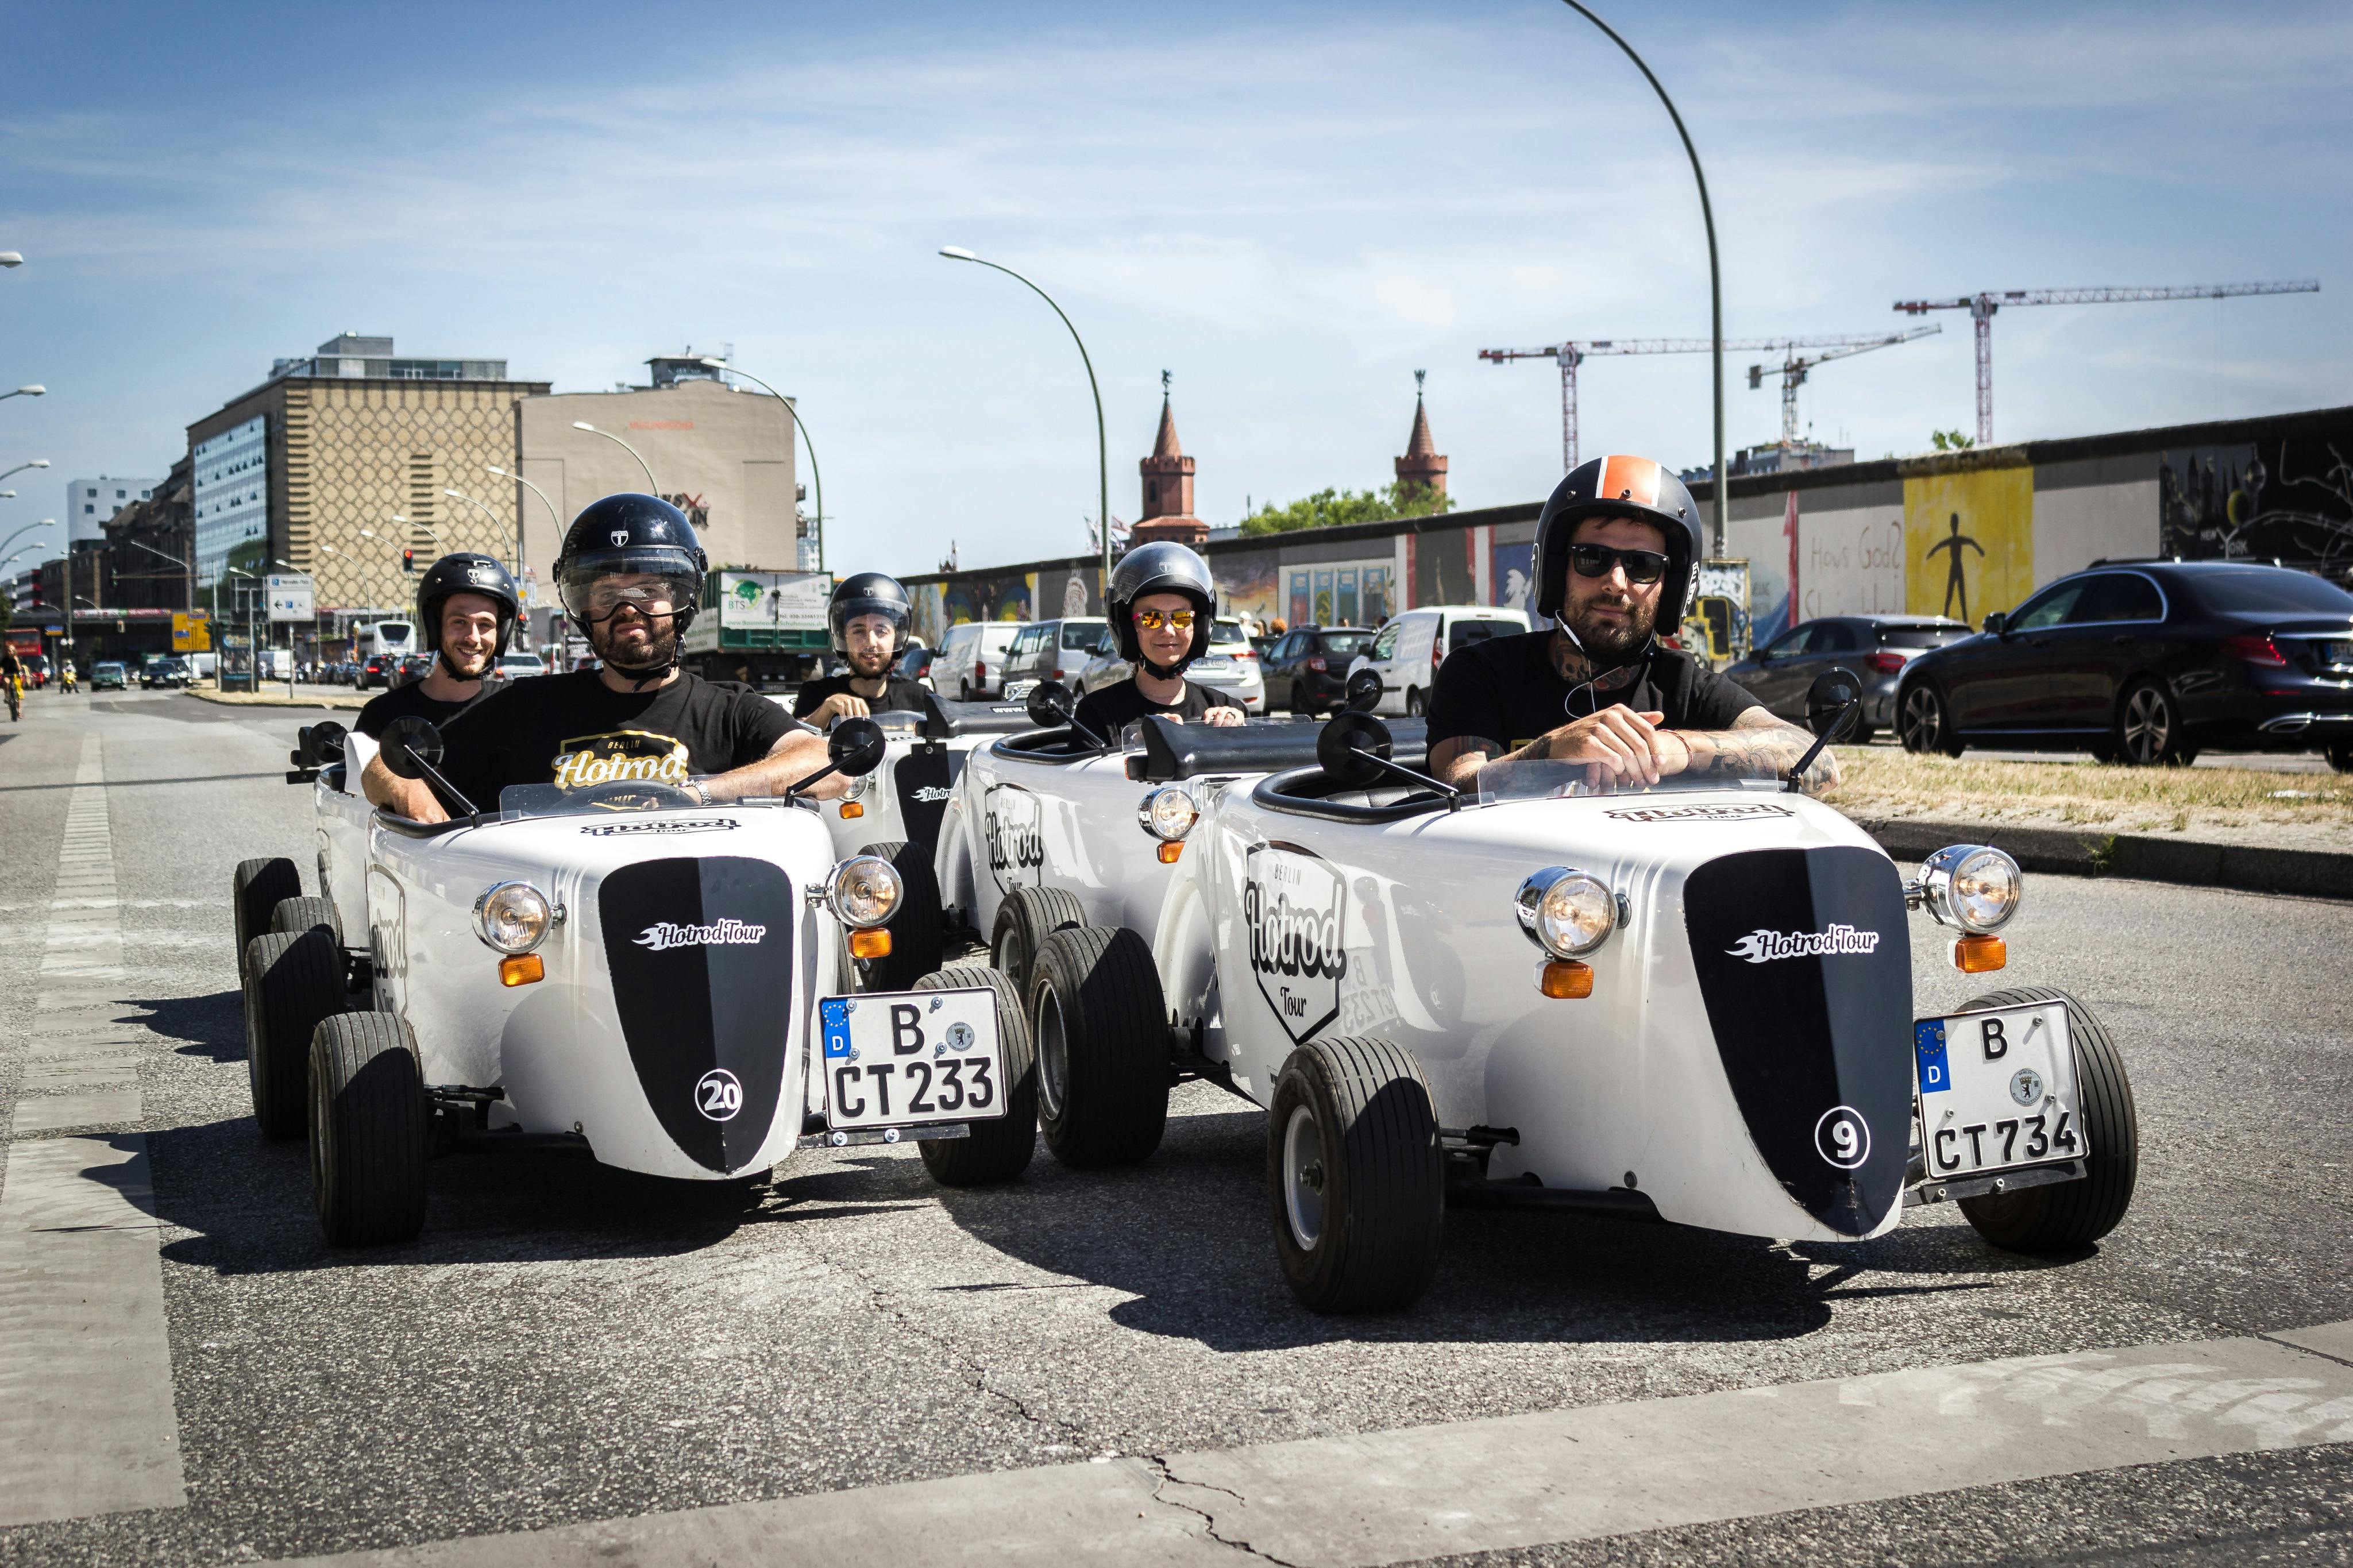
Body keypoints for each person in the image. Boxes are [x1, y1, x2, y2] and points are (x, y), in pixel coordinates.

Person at [365, 495, 844, 822]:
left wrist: (702, 792)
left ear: (683, 597)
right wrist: (407, 788)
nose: (628, 609)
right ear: (583, 610)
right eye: (608, 594)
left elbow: (828, 763)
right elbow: (384, 763)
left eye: (648, 590)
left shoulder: (729, 710)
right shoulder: (526, 706)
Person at [1425, 454, 1826, 791]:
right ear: (1556, 569)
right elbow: (1457, 783)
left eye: (1642, 565)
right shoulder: (1482, 673)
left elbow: (1817, 762)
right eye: (1592, 558)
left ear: (1672, 586)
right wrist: (1555, 750)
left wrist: (1677, 749)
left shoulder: (1687, 688)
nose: (1616, 582)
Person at [1071, 541, 1244, 739]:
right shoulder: (1097, 714)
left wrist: (1239, 733)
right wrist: (1139, 744)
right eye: (1151, 618)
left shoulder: (1227, 708)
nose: (1168, 630)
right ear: (1128, 628)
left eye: (1181, 617)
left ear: (1198, 626)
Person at [354, 553, 517, 751]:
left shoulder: (517, 707)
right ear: (434, 629)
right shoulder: (384, 715)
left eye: (485, 625)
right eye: (460, 622)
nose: (473, 638)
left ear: (501, 634)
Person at [793, 572, 934, 725]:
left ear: (897, 638)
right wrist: (827, 709)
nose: (870, 643)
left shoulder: (919, 698)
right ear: (843, 638)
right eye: (859, 631)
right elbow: (796, 736)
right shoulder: (817, 694)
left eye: (881, 631)